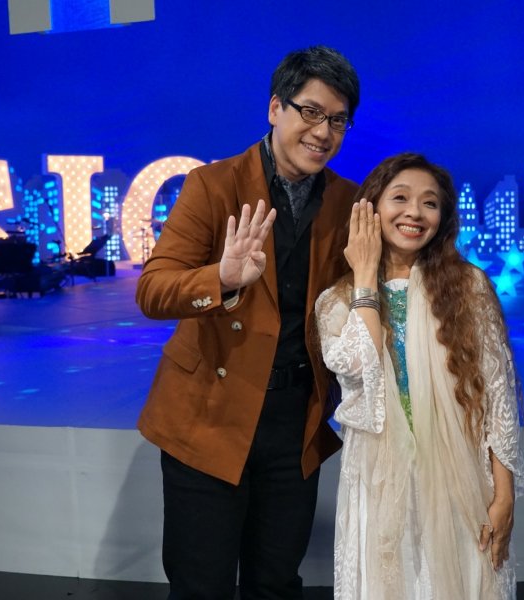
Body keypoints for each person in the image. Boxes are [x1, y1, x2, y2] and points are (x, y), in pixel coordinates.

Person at [135, 46, 360, 600]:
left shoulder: (348, 202)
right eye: (311, 112)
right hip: (208, 416)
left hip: (295, 421)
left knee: (276, 583)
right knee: (201, 586)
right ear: (275, 108)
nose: (323, 132)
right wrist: (223, 278)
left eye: (337, 120)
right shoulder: (212, 185)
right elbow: (153, 290)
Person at [315, 153, 524, 599]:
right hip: (379, 482)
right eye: (400, 198)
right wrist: (366, 277)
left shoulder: (469, 288)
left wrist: (504, 494)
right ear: (371, 208)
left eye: (430, 203)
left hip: (459, 481)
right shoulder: (336, 301)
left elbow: (498, 398)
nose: (414, 212)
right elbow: (359, 366)